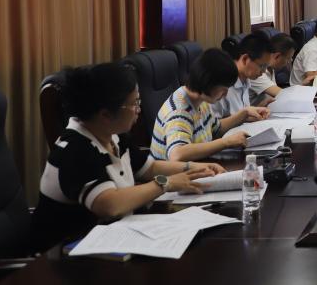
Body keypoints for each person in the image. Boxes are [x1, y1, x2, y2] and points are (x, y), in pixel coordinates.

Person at [33, 62, 226, 250]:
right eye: (134, 103)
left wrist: (192, 167)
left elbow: (149, 168)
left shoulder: (113, 135)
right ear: (105, 114)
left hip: (111, 237)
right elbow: (110, 204)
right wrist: (166, 183)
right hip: (63, 254)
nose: (138, 110)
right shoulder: (75, 149)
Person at [151, 48, 269, 161]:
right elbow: (177, 154)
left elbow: (216, 129)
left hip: (199, 166)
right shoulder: (179, 111)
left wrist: (245, 113)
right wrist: (226, 142)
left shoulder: (200, 101)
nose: (225, 94)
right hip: (177, 173)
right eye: (223, 89)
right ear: (208, 82)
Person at [212, 32, 272, 118]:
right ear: (245, 59)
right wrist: (245, 114)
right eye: (261, 66)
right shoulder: (222, 82)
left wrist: (257, 110)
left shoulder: (245, 79)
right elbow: (212, 124)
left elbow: (238, 116)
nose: (263, 71)